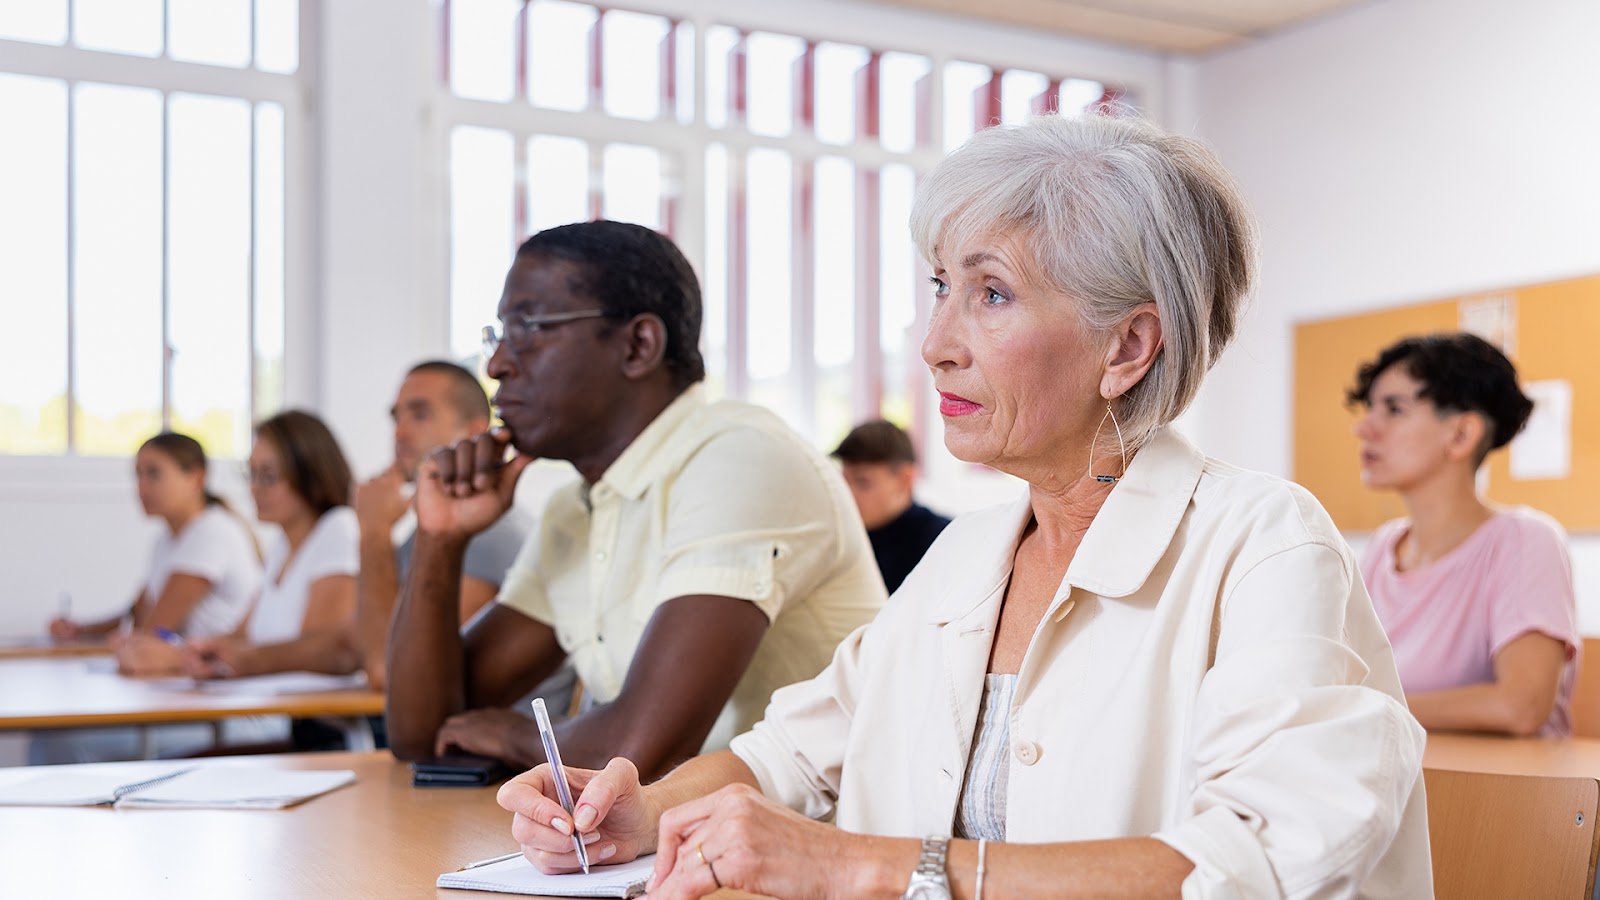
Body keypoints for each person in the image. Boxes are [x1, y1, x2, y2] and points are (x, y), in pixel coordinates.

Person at [497, 114, 1431, 898]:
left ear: (1127, 347)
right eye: (941, 287)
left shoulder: (1265, 545)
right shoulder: (969, 555)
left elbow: (1264, 863)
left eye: (991, 293)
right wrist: (643, 810)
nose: (936, 341)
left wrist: (861, 867)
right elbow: (795, 750)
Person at [385, 220, 887, 781]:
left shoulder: (740, 458)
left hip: (822, 847)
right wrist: (440, 539)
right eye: (497, 334)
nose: (497, 363)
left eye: (527, 327)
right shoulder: (574, 513)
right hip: (680, 846)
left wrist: (513, 733)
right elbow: (419, 732)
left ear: (638, 345)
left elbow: (639, 753)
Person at [1349, 332, 1578, 737]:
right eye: (1370, 408)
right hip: (1402, 783)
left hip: (1497, 794)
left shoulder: (1526, 540)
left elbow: (1521, 706)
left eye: (1394, 409)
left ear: (1461, 435)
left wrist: (1362, 706)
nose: (1365, 429)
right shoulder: (1382, 547)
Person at [349, 361, 533, 689]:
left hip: (492, 737)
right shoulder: (424, 534)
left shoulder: (489, 533)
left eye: (420, 415)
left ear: (476, 433)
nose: (399, 433)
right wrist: (246, 658)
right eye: (396, 417)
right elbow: (352, 640)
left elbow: (389, 672)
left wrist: (374, 531)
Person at [48, 432, 261, 677]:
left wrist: (131, 641)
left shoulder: (210, 532)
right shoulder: (166, 540)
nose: (141, 487)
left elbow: (154, 628)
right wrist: (81, 630)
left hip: (220, 679)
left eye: (154, 474)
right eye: (138, 475)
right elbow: (138, 613)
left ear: (196, 477)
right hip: (187, 674)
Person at [182, 410, 361, 683]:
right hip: (265, 706)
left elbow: (322, 653)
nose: (254, 488)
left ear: (312, 477)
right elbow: (240, 638)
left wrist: (184, 658)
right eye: (251, 473)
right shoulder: (281, 546)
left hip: (309, 719)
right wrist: (185, 652)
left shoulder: (339, 527)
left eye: (268, 476)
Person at [832, 419, 951, 593]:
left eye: (862, 483)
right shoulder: (840, 539)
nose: (847, 495)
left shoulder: (944, 541)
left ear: (905, 479)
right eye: (843, 481)